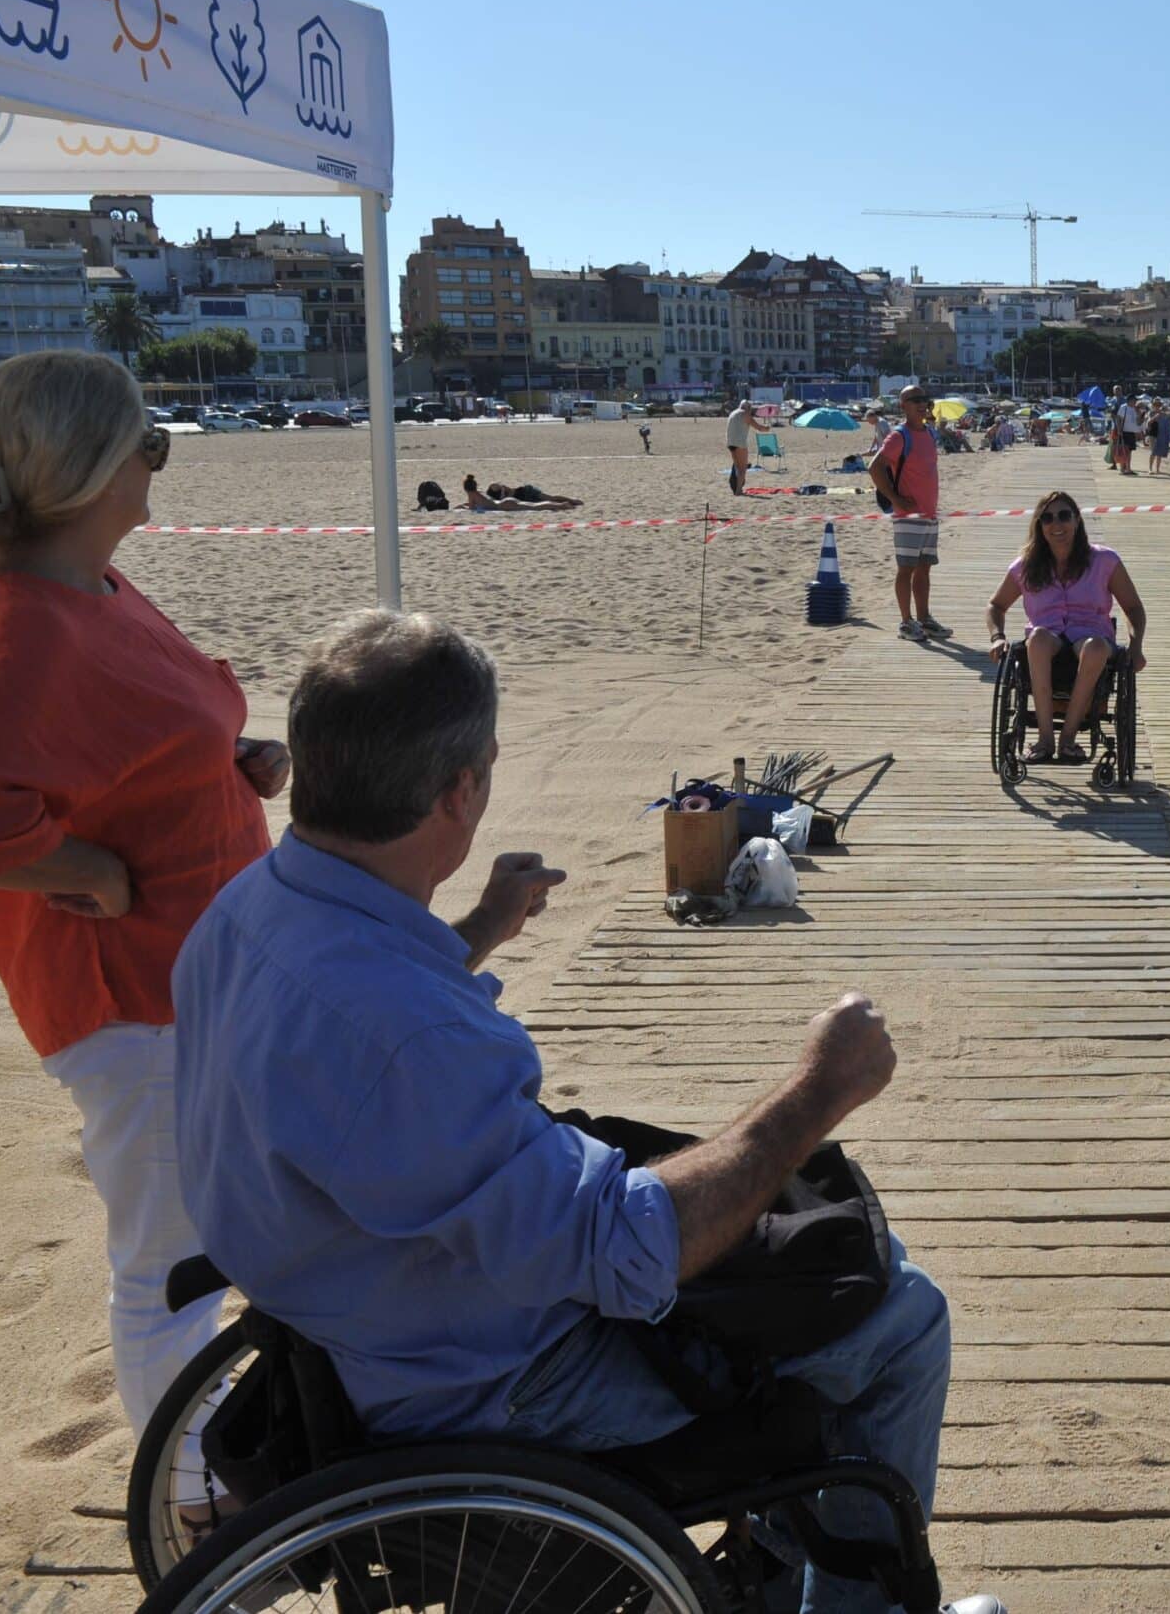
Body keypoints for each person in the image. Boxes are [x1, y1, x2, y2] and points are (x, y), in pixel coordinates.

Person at [172, 612, 998, 1614]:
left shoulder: (243, 915)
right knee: (900, 1317)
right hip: (487, 1379)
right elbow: (628, 1247)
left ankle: (777, 1570)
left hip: (345, 1303)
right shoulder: (411, 1039)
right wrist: (819, 1087)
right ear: (461, 790)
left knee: (773, 1234)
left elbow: (350, 1045)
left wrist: (475, 929)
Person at [0, 350, 282, 1436]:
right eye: (148, 441)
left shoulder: (90, 582)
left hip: (187, 976)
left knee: (221, 1237)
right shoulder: (26, 615)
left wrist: (229, 761)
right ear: (93, 465)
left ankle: (226, 1470)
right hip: (132, 1002)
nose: (158, 462)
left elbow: (114, 738)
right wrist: (87, 873)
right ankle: (192, 1512)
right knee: (171, 1270)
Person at [984, 492, 1148, 764]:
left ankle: (1069, 738)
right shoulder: (1025, 566)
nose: (1056, 524)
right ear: (1039, 525)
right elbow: (995, 605)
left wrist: (1136, 646)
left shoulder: (1104, 561)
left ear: (1076, 521)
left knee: (1095, 646)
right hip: (1046, 640)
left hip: (1091, 637)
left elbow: (1133, 608)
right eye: (1047, 518)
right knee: (1036, 639)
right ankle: (1045, 739)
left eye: (1063, 515)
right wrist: (996, 637)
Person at [868, 384, 948, 641]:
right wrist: (896, 499)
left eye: (924, 399)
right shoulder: (899, 436)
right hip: (908, 517)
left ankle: (924, 619)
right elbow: (875, 467)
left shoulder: (928, 433)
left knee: (924, 568)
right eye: (915, 400)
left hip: (929, 514)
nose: (921, 403)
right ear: (903, 406)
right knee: (906, 568)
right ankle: (906, 621)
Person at [724, 399, 757, 496]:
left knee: (737, 467)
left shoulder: (733, 413)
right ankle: (738, 491)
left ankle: (736, 488)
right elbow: (758, 427)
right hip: (740, 444)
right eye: (750, 408)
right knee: (743, 469)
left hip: (730, 443)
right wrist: (767, 428)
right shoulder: (745, 414)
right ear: (747, 408)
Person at [1147, 402, 1170, 474]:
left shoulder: (1164, 414)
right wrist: (1156, 416)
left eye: (1159, 405)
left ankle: (1157, 469)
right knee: (1153, 452)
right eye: (1156, 405)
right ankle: (1150, 469)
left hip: (1161, 435)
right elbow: (1149, 423)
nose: (1157, 407)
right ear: (1153, 406)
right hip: (1153, 434)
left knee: (1159, 453)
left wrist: (1169, 416)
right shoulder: (1151, 413)